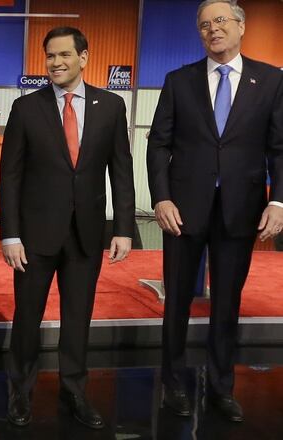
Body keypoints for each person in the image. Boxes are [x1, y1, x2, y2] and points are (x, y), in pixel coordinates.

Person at [147, 0, 283, 422]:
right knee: (177, 303)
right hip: (183, 211)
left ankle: (222, 387)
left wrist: (278, 200)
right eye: (204, 25)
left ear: (241, 27)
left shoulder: (273, 81)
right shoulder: (178, 80)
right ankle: (172, 385)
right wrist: (161, 197)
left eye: (221, 21)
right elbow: (158, 145)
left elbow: (279, 148)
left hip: (241, 211)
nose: (212, 30)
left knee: (227, 302)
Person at [0, 26, 135, 429]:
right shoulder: (27, 109)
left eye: (63, 55)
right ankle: (20, 392)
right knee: (27, 318)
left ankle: (74, 390)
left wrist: (123, 227)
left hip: (86, 234)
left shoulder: (111, 106)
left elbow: (121, 173)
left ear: (83, 57)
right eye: (50, 56)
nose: (55, 63)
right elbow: (11, 177)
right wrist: (10, 234)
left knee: (79, 319)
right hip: (35, 236)